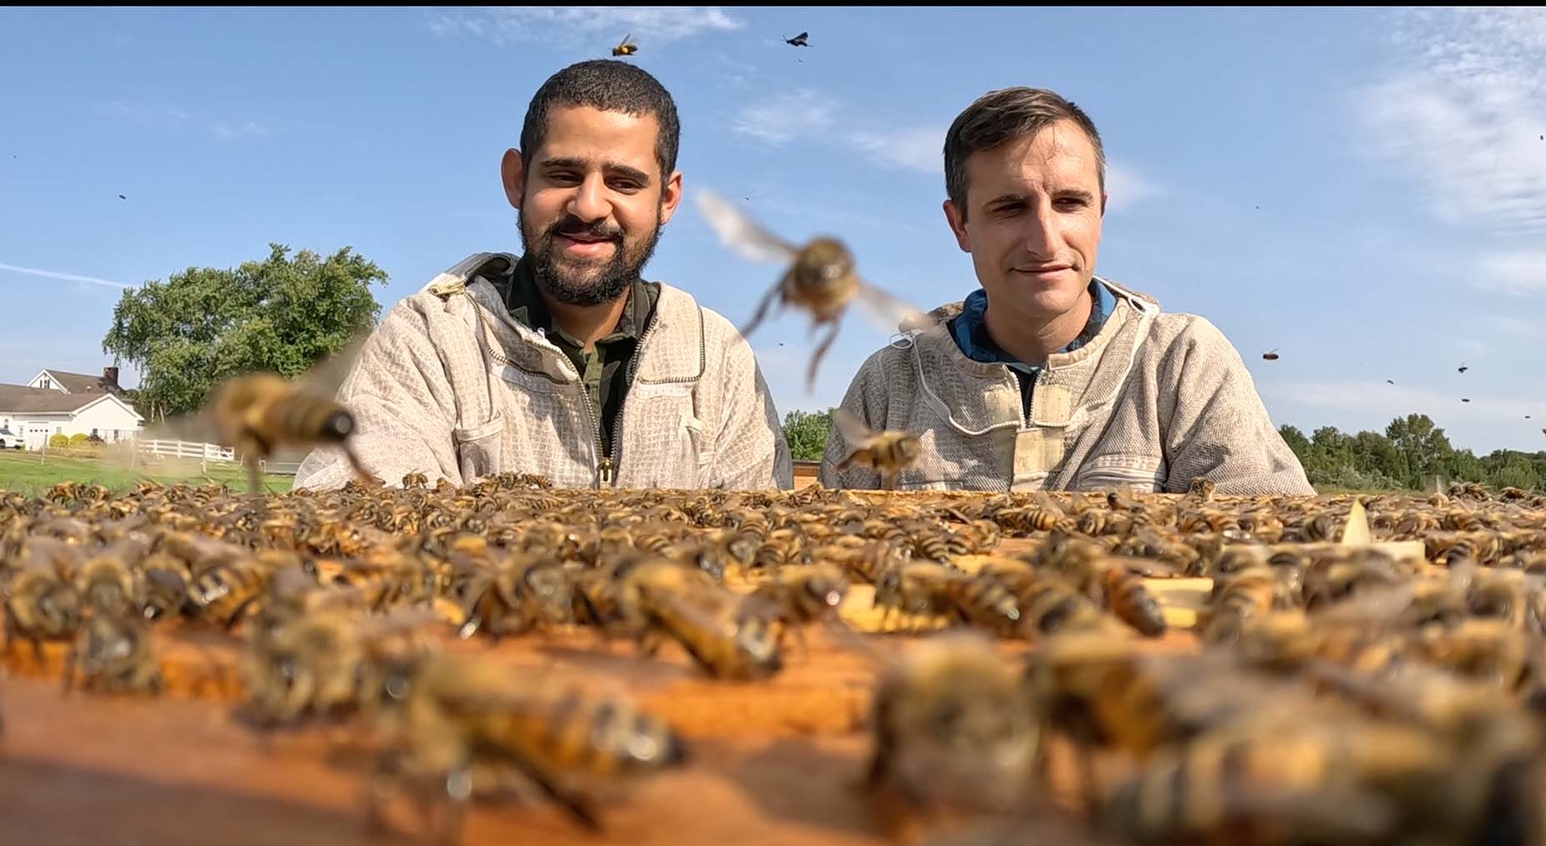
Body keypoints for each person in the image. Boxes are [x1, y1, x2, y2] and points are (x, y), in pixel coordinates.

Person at [295, 60, 792, 491]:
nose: (590, 205)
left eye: (623, 182)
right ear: (517, 179)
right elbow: (354, 497)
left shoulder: (717, 358)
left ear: (667, 198)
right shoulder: (430, 339)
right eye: (563, 175)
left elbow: (768, 555)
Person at [820, 87, 1313, 496]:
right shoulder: (891, 385)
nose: (1045, 241)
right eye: (1010, 208)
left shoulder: (1180, 362)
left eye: (1069, 202)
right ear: (960, 225)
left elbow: (1272, 551)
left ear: (1100, 211)